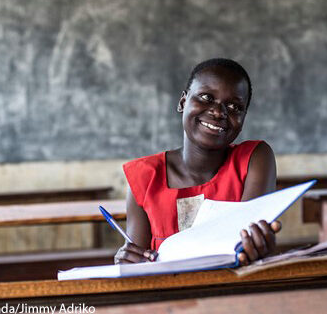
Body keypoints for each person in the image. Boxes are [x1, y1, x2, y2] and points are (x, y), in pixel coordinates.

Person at [114, 58, 280, 266]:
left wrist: (258, 246)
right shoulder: (145, 177)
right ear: (183, 102)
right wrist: (128, 261)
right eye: (206, 97)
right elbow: (137, 263)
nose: (219, 112)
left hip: (233, 291)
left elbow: (249, 246)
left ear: (244, 116)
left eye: (234, 106)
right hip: (167, 294)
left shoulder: (253, 159)